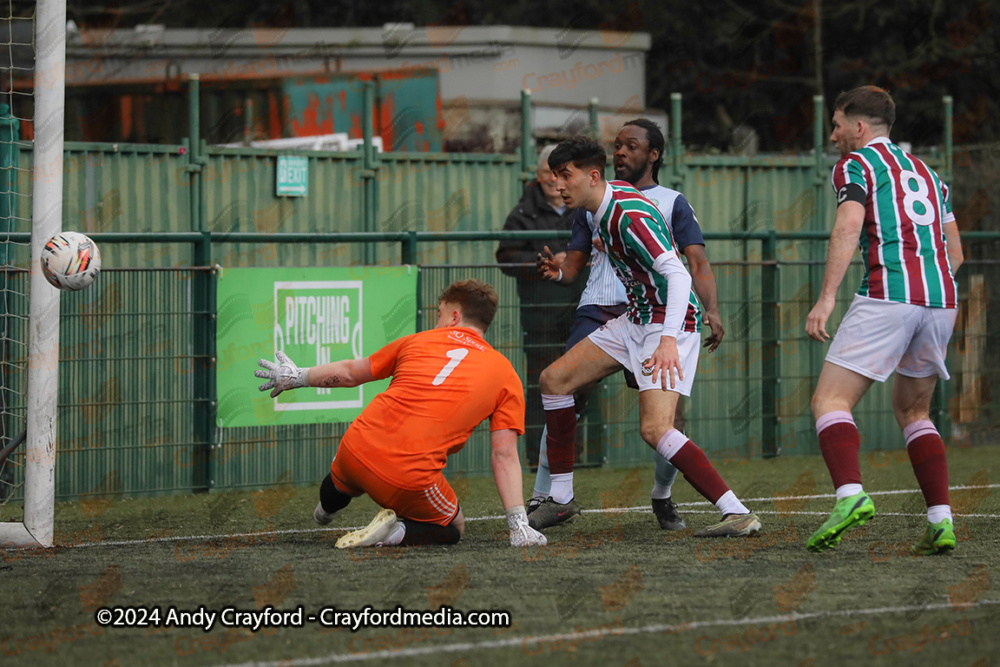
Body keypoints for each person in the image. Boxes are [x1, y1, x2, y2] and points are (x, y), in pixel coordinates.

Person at [528, 136, 761, 537]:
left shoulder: (626, 214)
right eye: (554, 176)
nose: (559, 184)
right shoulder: (602, 203)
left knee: (655, 430)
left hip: (666, 322)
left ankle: (735, 511)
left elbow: (678, 273)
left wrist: (668, 340)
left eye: (566, 175)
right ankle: (561, 498)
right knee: (554, 380)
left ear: (593, 176)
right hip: (637, 318)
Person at [254, 279, 547, 549]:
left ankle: (325, 511)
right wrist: (519, 525)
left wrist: (297, 376)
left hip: (356, 446)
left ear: (455, 317)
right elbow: (504, 455)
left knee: (343, 477)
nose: (436, 322)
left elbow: (348, 373)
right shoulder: (507, 374)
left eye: (439, 314)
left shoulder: (416, 341)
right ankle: (394, 533)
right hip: (408, 477)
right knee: (454, 526)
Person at [804, 86, 964, 554]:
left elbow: (849, 226)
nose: (832, 135)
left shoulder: (856, 165)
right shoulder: (931, 175)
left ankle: (850, 496)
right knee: (914, 411)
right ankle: (941, 520)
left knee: (829, 400)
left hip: (889, 293)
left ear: (859, 126)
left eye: (835, 125)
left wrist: (826, 299)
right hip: (941, 300)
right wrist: (925, 290)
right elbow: (956, 253)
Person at [496, 145, 585, 466]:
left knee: (584, 384)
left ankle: (583, 457)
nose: (553, 179)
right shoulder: (522, 213)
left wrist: (575, 261)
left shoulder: (584, 208)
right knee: (541, 387)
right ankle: (537, 458)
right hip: (540, 318)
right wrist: (544, 263)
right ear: (537, 175)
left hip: (582, 313)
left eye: (560, 172)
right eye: (547, 172)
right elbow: (505, 257)